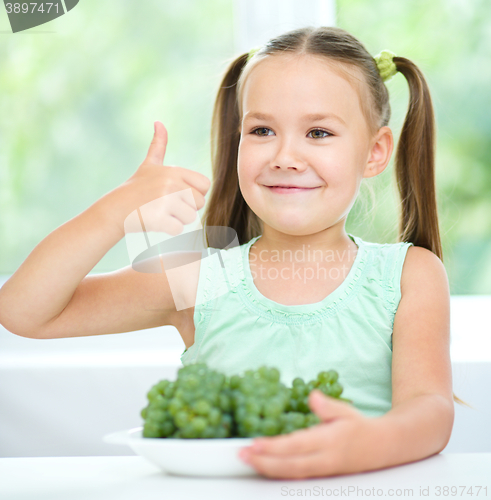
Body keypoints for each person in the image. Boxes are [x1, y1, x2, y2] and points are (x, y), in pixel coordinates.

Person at [0, 25, 459, 479]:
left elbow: (430, 411)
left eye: (318, 133)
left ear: (374, 153)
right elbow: (25, 312)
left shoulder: (408, 274)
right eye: (261, 130)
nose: (285, 155)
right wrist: (114, 212)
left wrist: (365, 445)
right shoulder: (199, 272)